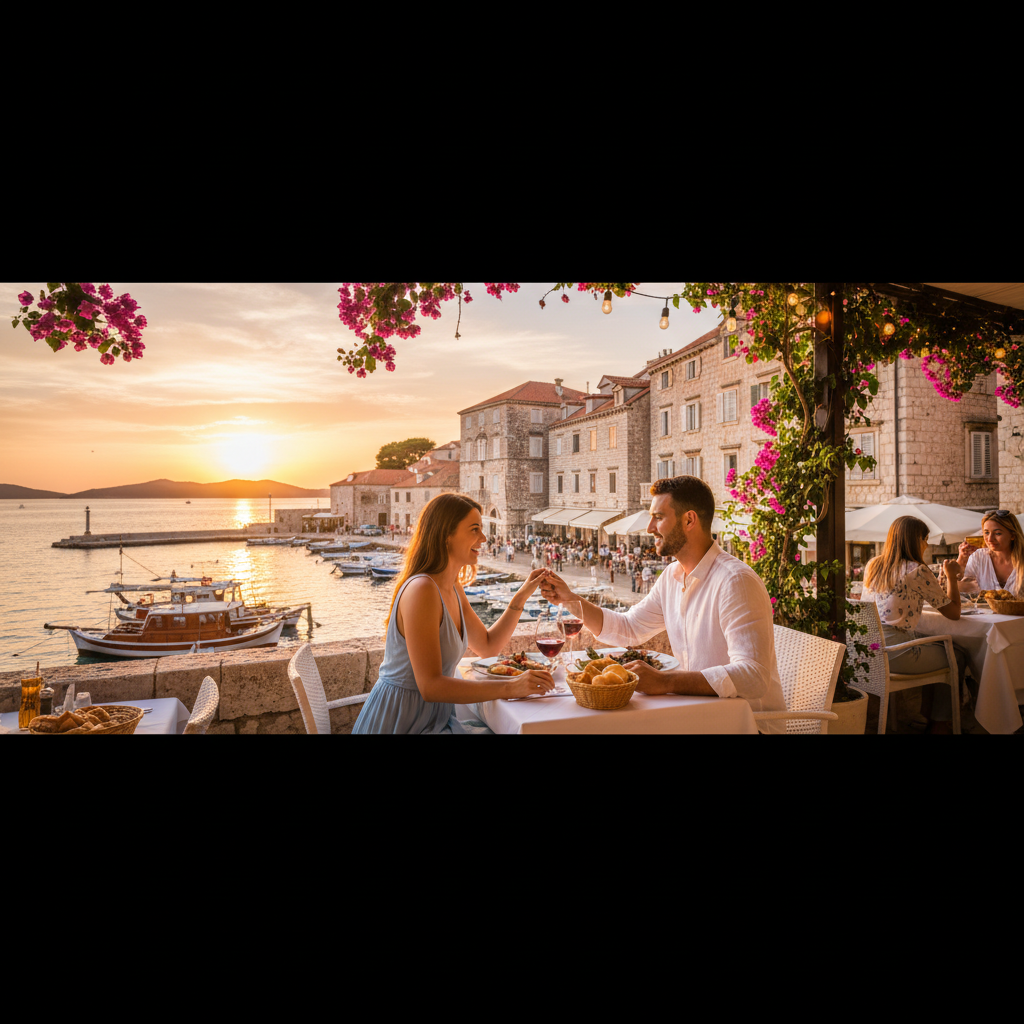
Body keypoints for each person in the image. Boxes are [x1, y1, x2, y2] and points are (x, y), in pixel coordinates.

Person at [539, 475, 788, 732]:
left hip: (746, 726)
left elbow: (753, 677)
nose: (649, 528)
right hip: (695, 716)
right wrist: (569, 599)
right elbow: (629, 628)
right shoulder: (671, 577)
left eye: (658, 517)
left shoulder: (736, 581)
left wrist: (666, 681)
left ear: (689, 520)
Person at [352, 494, 555, 734]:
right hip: (402, 721)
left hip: (434, 721)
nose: (484, 538)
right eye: (474, 529)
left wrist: (521, 597)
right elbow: (430, 687)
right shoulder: (423, 589)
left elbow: (488, 646)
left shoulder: (452, 586)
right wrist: (511, 687)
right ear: (445, 536)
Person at [860, 515, 968, 735]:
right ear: (916, 540)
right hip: (894, 653)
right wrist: (951, 577)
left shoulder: (874, 565)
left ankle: (927, 716)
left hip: (867, 651)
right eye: (925, 539)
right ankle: (940, 725)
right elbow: (954, 613)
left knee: (937, 647)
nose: (926, 544)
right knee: (955, 655)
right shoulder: (917, 570)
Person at [955, 509, 1024, 597]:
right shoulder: (979, 557)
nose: (990, 539)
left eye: (998, 533)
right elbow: (963, 591)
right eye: (986, 533)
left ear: (1013, 535)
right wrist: (961, 562)